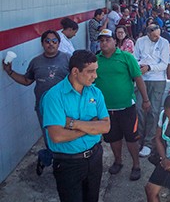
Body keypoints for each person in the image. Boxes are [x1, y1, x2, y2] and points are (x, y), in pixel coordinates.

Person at [41, 50, 111, 202]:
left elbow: (106, 127)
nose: (95, 76)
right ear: (75, 71)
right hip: (68, 163)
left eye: (96, 71)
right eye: (90, 71)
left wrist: (73, 124)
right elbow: (57, 136)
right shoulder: (54, 96)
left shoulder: (95, 93)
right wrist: (91, 127)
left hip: (94, 158)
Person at [2, 30, 71, 175]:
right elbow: (27, 81)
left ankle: (64, 164)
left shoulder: (67, 59)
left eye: (54, 41)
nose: (51, 44)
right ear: (42, 43)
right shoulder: (36, 62)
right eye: (47, 41)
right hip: (43, 108)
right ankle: (47, 159)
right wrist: (10, 71)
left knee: (66, 136)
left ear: (59, 43)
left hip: (65, 108)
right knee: (50, 138)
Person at [95, 29, 151, 181]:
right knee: (113, 138)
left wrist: (145, 100)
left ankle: (136, 165)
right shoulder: (95, 60)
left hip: (127, 107)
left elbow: (138, 78)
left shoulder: (126, 57)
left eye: (107, 39)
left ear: (115, 41)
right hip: (106, 110)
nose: (104, 43)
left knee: (131, 138)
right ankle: (118, 161)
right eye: (101, 40)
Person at [133, 24, 170, 157]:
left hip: (157, 79)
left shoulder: (164, 43)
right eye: (154, 36)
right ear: (148, 33)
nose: (157, 38)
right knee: (139, 109)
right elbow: (134, 58)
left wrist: (149, 67)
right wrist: (140, 66)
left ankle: (149, 143)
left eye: (158, 35)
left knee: (154, 111)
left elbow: (164, 64)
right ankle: (139, 138)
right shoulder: (140, 42)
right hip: (142, 78)